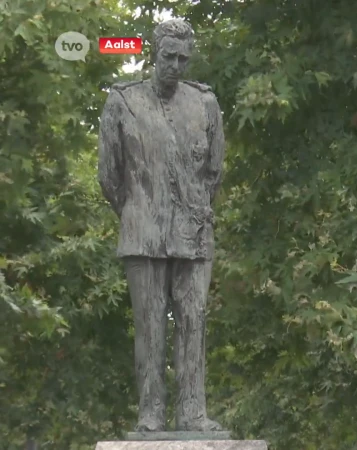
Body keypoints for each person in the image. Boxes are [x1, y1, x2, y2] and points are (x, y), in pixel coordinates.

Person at [97, 19, 225, 432]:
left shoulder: (205, 103)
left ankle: (193, 412)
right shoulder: (124, 101)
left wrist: (190, 211)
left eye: (183, 58)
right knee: (150, 326)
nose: (175, 65)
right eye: (168, 56)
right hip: (143, 231)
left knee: (194, 320)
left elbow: (213, 173)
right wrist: (138, 211)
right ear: (154, 52)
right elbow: (108, 175)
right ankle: (150, 413)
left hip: (194, 230)